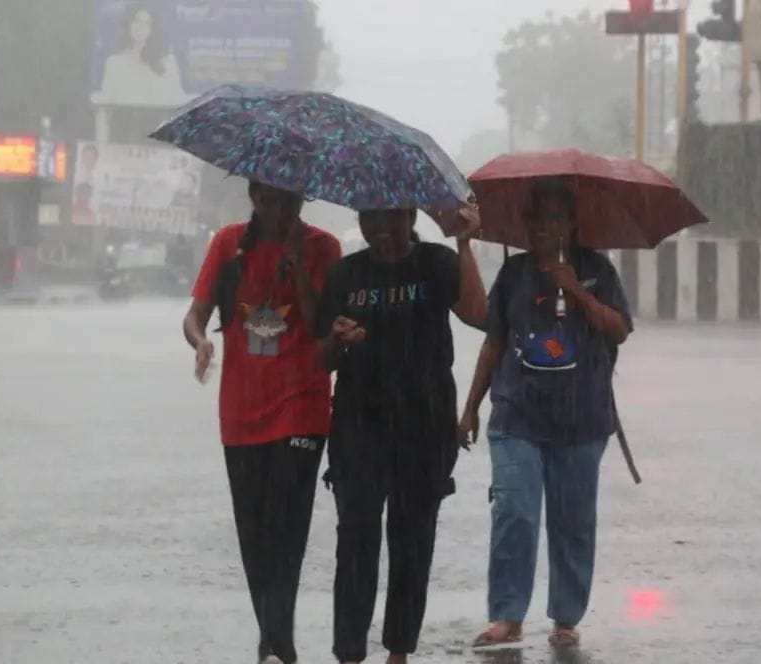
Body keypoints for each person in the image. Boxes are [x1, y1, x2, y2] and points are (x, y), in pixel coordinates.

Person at [458, 177, 632, 651]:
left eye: (553, 217)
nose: (542, 225)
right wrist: (471, 406)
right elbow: (494, 339)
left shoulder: (596, 270)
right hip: (517, 417)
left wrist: (577, 291)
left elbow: (619, 330)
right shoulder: (514, 275)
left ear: (572, 224)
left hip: (582, 420)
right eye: (535, 217)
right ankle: (507, 615)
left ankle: (566, 617)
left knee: (572, 519)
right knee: (514, 511)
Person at [314, 205, 488, 664]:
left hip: (425, 425)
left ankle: (398, 653)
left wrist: (466, 243)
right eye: (371, 220)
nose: (382, 230)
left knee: (412, 544)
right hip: (357, 425)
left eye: (392, 219)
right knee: (356, 541)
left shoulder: (436, 263)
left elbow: (478, 313)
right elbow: (321, 360)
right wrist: (335, 340)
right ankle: (349, 653)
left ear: (411, 215)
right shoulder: (345, 274)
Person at [183, 181, 341, 664]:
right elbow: (196, 314)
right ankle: (272, 637)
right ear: (254, 196)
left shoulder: (323, 248)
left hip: (302, 408)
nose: (282, 212)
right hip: (241, 412)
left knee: (285, 526)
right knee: (252, 533)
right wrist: (201, 342)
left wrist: (295, 268)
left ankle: (278, 643)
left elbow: (322, 329)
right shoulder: (228, 244)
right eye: (271, 201)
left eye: (292, 201)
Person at [96, 4, 191, 108]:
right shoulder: (114, 63)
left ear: (152, 29)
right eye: (137, 20)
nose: (140, 27)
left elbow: (176, 100)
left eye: (146, 23)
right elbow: (107, 104)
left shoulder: (167, 62)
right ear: (129, 24)